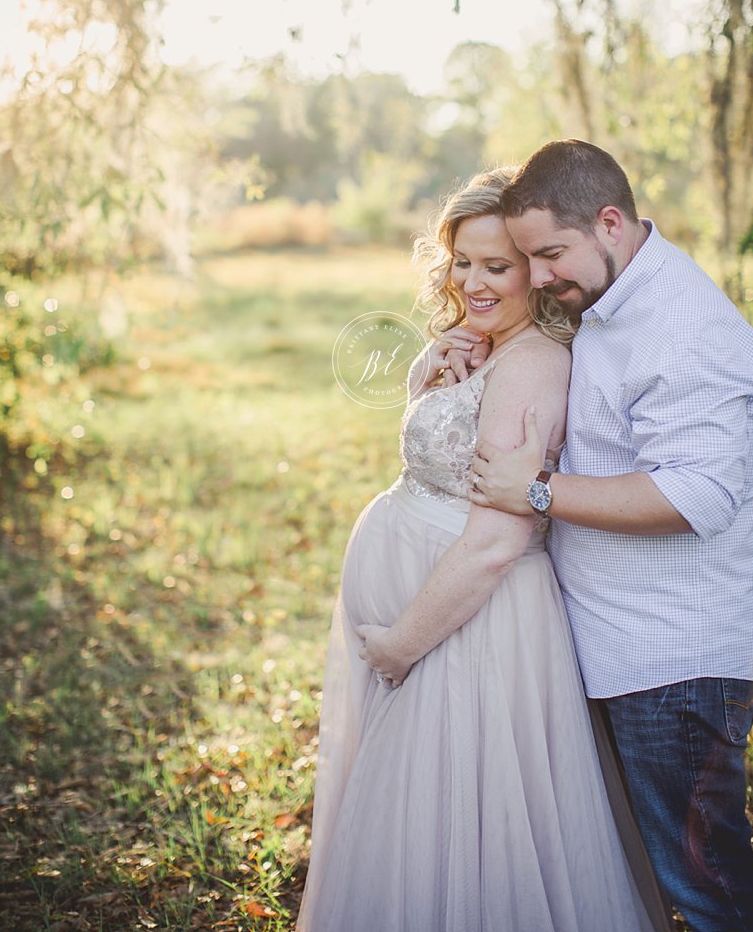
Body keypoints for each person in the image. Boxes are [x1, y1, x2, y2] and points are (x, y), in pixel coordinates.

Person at [297, 169, 671, 932]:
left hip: (469, 628)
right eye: (462, 262)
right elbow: (443, 460)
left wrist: (402, 643)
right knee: (417, 810)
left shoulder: (533, 362)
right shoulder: (481, 344)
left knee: (464, 822)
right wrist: (424, 380)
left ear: (536, 271)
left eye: (495, 266)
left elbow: (499, 540)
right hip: (438, 615)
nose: (471, 281)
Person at [464, 140, 753, 932]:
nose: (539, 276)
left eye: (549, 254)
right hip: (626, 647)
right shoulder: (611, 299)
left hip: (676, 660)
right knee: (675, 875)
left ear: (610, 222)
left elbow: (695, 492)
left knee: (707, 885)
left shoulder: (683, 327)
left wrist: (536, 489)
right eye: (528, 259)